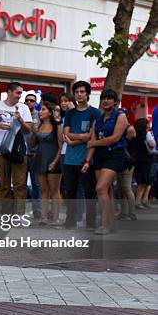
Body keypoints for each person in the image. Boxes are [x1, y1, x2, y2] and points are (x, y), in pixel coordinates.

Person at [82, 89, 129, 234]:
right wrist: (87, 161)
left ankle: (104, 225)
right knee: (107, 191)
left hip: (115, 154)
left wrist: (94, 144)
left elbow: (115, 138)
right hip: (100, 156)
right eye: (104, 98)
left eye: (109, 98)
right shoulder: (98, 119)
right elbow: (93, 142)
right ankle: (111, 224)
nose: (106, 101)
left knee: (100, 188)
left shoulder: (120, 116)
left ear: (115, 101)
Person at [0, 82, 33, 215]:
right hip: (0, 151)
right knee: (3, 185)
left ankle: (19, 214)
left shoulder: (23, 108)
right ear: (9, 92)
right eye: (17, 93)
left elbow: (28, 130)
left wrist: (21, 120)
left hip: (18, 151)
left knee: (20, 185)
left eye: (21, 93)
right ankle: (6, 213)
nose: (19, 96)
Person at [62, 81, 101, 230]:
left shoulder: (94, 112)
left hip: (87, 159)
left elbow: (93, 137)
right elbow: (66, 134)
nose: (79, 94)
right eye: (77, 92)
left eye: (82, 92)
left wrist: (77, 138)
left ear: (88, 94)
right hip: (70, 159)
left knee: (89, 192)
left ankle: (91, 223)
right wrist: (82, 136)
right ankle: (70, 221)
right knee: (70, 191)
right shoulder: (70, 113)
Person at [31, 102, 63, 225]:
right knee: (43, 189)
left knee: (54, 190)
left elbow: (61, 146)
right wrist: (34, 132)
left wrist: (55, 162)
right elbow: (33, 144)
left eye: (43, 109)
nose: (40, 112)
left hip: (53, 159)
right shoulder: (38, 125)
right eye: (40, 110)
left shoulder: (57, 126)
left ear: (50, 112)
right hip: (40, 159)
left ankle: (55, 218)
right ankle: (43, 217)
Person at [23, 92, 41, 219]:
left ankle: (37, 211)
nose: (29, 102)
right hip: (22, 154)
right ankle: (20, 211)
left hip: (35, 154)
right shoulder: (22, 115)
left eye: (31, 101)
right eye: (27, 100)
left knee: (36, 184)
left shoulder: (39, 116)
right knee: (21, 184)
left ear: (35, 103)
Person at [116, 113, 136, 221]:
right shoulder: (123, 128)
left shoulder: (129, 129)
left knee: (127, 188)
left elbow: (127, 143)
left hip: (127, 162)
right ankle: (124, 213)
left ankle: (132, 213)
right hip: (121, 160)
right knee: (121, 189)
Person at [132, 118, 155, 209]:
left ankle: (140, 200)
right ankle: (138, 201)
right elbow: (152, 144)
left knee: (141, 181)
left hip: (137, 160)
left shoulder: (135, 134)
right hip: (145, 159)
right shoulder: (147, 134)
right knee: (144, 181)